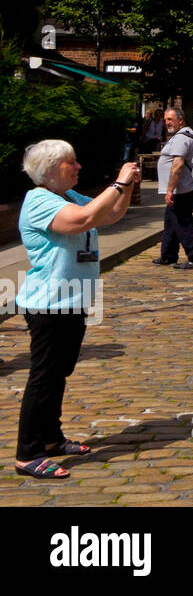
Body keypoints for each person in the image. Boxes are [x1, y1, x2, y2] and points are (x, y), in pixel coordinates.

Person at [13, 142, 139, 479]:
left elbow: (108, 214)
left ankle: (51, 438)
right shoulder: (39, 201)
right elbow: (82, 221)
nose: (79, 166)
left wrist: (125, 187)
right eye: (72, 162)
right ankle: (28, 452)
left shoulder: (66, 197)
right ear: (52, 169)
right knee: (44, 376)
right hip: (49, 302)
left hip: (73, 299)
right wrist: (119, 183)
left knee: (59, 372)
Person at [153, 107, 193, 268]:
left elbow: (177, 165)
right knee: (171, 221)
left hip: (182, 189)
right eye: (166, 120)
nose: (167, 123)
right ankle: (168, 255)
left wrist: (170, 190)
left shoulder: (181, 138)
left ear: (180, 120)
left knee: (183, 221)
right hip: (185, 187)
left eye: (170, 119)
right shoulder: (186, 135)